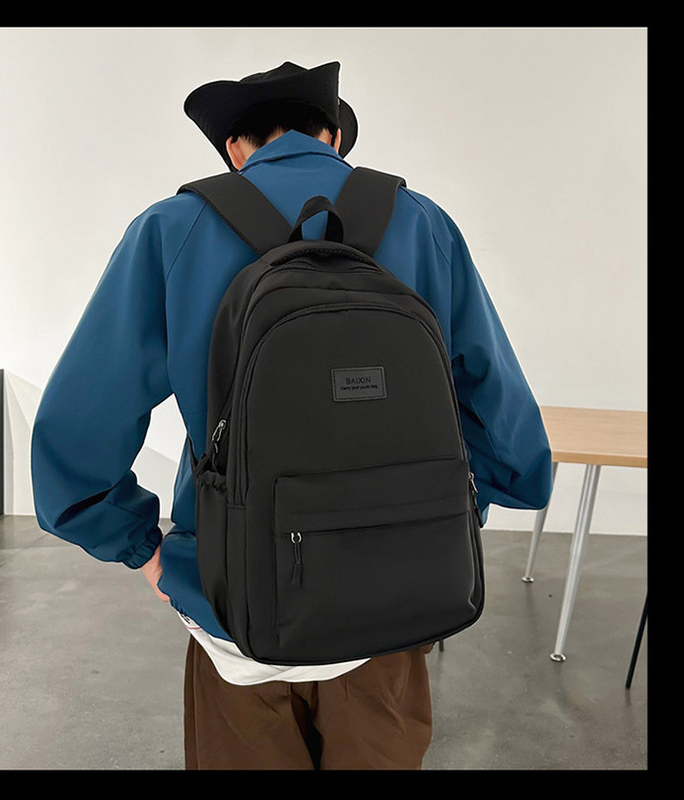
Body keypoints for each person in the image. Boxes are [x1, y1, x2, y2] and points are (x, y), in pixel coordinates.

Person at [31, 61, 553, 770]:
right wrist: (447, 518)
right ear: (333, 137)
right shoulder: (422, 221)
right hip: (395, 598)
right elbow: (504, 417)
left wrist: (144, 551)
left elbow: (77, 430)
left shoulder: (172, 228)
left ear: (234, 148)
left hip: (231, 602)